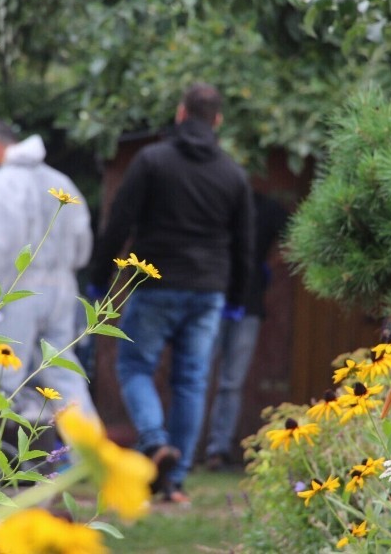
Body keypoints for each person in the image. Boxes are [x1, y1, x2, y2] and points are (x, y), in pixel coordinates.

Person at [88, 83, 254, 503]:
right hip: (208, 291)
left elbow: (118, 221)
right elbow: (245, 244)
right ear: (217, 120)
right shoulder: (232, 174)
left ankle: (154, 440)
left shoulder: (152, 161)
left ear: (181, 114)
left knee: (135, 367)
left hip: (155, 284)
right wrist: (236, 300)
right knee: (191, 382)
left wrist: (99, 277)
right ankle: (175, 480)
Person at [0, 119, 97, 422]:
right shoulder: (61, 180)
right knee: (63, 373)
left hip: (19, 290)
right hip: (63, 289)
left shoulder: (4, 181)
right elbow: (83, 242)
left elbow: (1, 244)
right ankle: (85, 453)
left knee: (3, 374)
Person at [204, 191, 288, 470]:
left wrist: (266, 267)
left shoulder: (267, 207)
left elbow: (292, 240)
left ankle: (218, 449)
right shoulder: (215, 201)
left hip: (247, 304)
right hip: (212, 300)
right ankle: (186, 448)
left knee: (230, 382)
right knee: (199, 377)